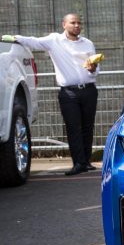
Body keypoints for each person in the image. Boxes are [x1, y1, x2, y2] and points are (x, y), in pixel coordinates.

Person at [2, 14, 99, 175]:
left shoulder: (87, 43)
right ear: (64, 25)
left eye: (79, 23)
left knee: (88, 126)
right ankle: (78, 163)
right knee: (73, 127)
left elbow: (95, 68)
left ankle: (86, 161)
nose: (77, 25)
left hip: (89, 89)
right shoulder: (55, 40)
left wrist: (93, 69)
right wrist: (14, 38)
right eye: (73, 23)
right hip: (69, 92)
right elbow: (33, 41)